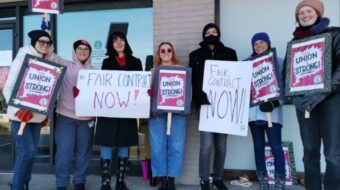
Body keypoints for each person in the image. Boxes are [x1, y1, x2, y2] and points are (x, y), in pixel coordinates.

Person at [287, 0, 340, 189]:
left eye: (309, 11)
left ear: (317, 13)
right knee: (309, 151)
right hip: (305, 104)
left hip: (331, 101)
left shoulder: (335, 34)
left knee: (333, 153)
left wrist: (323, 93)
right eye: (300, 13)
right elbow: (288, 76)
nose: (304, 15)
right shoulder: (294, 43)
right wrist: (295, 99)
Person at [189, 23, 237, 190]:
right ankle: (204, 179)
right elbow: (193, 81)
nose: (211, 34)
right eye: (208, 32)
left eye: (214, 32)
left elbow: (236, 79)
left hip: (225, 106)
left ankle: (218, 178)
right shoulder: (195, 55)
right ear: (203, 35)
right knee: (206, 146)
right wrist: (199, 98)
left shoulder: (230, 53)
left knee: (221, 145)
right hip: (205, 106)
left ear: (219, 34)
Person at [3, 30, 51, 190]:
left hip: (36, 116)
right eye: (41, 42)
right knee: (27, 151)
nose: (45, 45)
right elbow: (8, 88)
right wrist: (18, 110)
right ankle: (16, 186)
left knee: (32, 153)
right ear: (34, 43)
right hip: (21, 116)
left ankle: (25, 183)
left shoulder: (49, 61)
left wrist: (45, 112)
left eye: (48, 43)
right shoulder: (22, 59)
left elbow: (47, 91)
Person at [94, 31, 142, 190]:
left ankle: (121, 182)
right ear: (111, 45)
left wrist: (144, 93)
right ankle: (105, 182)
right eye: (115, 40)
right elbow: (102, 86)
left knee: (124, 144)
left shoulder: (136, 62)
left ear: (125, 42)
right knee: (106, 145)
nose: (119, 42)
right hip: (108, 110)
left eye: (121, 39)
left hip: (127, 110)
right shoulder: (106, 62)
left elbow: (139, 85)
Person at [53, 39, 94, 190]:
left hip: (87, 120)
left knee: (83, 153)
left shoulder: (94, 71)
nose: (82, 51)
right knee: (64, 152)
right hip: (66, 117)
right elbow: (50, 53)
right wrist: (46, 29)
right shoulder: (65, 66)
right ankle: (61, 183)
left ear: (90, 53)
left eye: (86, 49)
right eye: (79, 48)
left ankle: (79, 181)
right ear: (74, 51)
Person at [248, 32, 285, 190]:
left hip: (272, 114)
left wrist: (275, 102)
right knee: (258, 147)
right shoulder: (248, 64)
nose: (258, 45)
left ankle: (280, 181)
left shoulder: (278, 62)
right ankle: (263, 180)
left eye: (262, 42)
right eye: (255, 43)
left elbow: (286, 87)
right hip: (254, 113)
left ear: (268, 43)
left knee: (276, 147)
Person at [148, 42, 188, 190]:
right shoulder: (153, 71)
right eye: (162, 50)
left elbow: (187, 92)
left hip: (177, 115)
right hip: (157, 115)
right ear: (159, 53)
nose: (166, 52)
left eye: (169, 50)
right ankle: (162, 179)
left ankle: (171, 180)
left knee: (176, 146)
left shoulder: (182, 71)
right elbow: (148, 93)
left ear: (173, 52)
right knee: (158, 146)